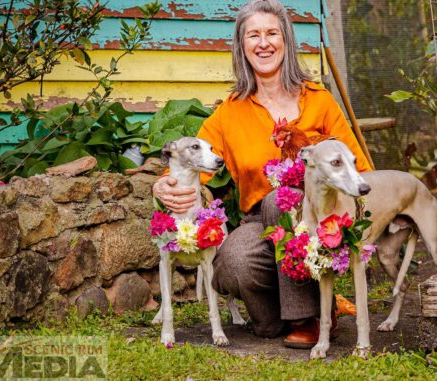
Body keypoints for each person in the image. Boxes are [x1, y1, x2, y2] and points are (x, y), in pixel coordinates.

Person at [152, 0, 372, 348]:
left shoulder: (319, 100)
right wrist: (163, 183)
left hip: (319, 216)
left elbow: (358, 166)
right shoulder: (230, 111)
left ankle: (306, 317)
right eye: (253, 35)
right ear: (242, 46)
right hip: (258, 221)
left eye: (272, 33)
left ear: (286, 40)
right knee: (233, 263)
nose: (263, 43)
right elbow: (192, 159)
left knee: (281, 198)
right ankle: (290, 316)